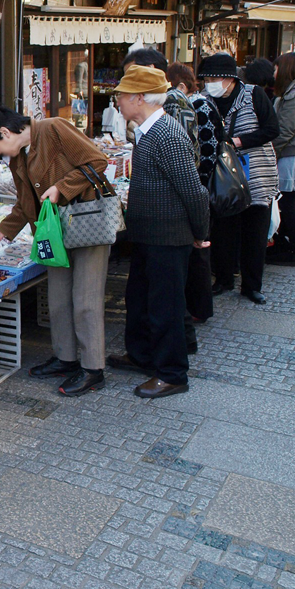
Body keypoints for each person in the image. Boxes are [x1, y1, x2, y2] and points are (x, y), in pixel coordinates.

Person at [0, 108, 112, 397]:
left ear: (5, 132)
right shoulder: (19, 157)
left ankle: (93, 369)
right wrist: (3, 230)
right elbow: (24, 201)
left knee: (85, 299)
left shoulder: (54, 128)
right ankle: (66, 358)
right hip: (52, 231)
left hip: (86, 223)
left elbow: (98, 161)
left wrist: (61, 188)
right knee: (59, 297)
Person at [106, 66, 210, 399]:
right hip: (149, 235)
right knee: (139, 300)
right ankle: (143, 356)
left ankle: (172, 373)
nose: (117, 101)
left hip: (168, 237)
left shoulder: (167, 133)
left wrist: (200, 232)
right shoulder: (148, 131)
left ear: (139, 97)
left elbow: (193, 191)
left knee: (165, 306)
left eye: (121, 95)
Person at [199, 53, 280, 304]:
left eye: (214, 78)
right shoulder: (205, 100)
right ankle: (223, 279)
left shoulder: (254, 95)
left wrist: (239, 141)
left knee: (255, 234)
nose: (209, 83)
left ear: (230, 79)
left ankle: (252, 286)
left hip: (256, 174)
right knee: (224, 231)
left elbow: (272, 129)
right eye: (207, 78)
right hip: (224, 178)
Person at [166, 61, 224, 351]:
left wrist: (199, 184)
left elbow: (206, 148)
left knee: (190, 264)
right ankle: (195, 315)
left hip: (197, 190)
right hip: (198, 190)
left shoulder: (190, 107)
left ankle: (195, 316)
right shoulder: (193, 104)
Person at [123, 48, 197, 155]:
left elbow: (178, 152)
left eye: (131, 74)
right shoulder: (160, 98)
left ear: (150, 69)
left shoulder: (172, 100)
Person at [269, 52, 295, 264]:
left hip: (292, 155)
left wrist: (271, 154)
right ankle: (294, 244)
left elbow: (285, 129)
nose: (274, 72)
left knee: (289, 203)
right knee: (294, 203)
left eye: (277, 68)